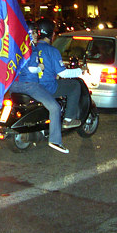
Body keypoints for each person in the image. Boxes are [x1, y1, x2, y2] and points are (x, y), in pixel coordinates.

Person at [9, 23, 66, 153]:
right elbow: (31, 69)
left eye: (36, 33)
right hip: (29, 86)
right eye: (33, 33)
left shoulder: (16, 48)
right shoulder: (31, 49)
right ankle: (55, 140)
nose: (36, 35)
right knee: (55, 107)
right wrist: (40, 68)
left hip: (13, 86)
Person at [35, 18, 83, 130]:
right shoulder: (52, 51)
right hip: (47, 87)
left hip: (32, 86)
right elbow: (64, 73)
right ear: (51, 34)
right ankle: (69, 119)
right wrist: (81, 71)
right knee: (75, 86)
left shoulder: (30, 48)